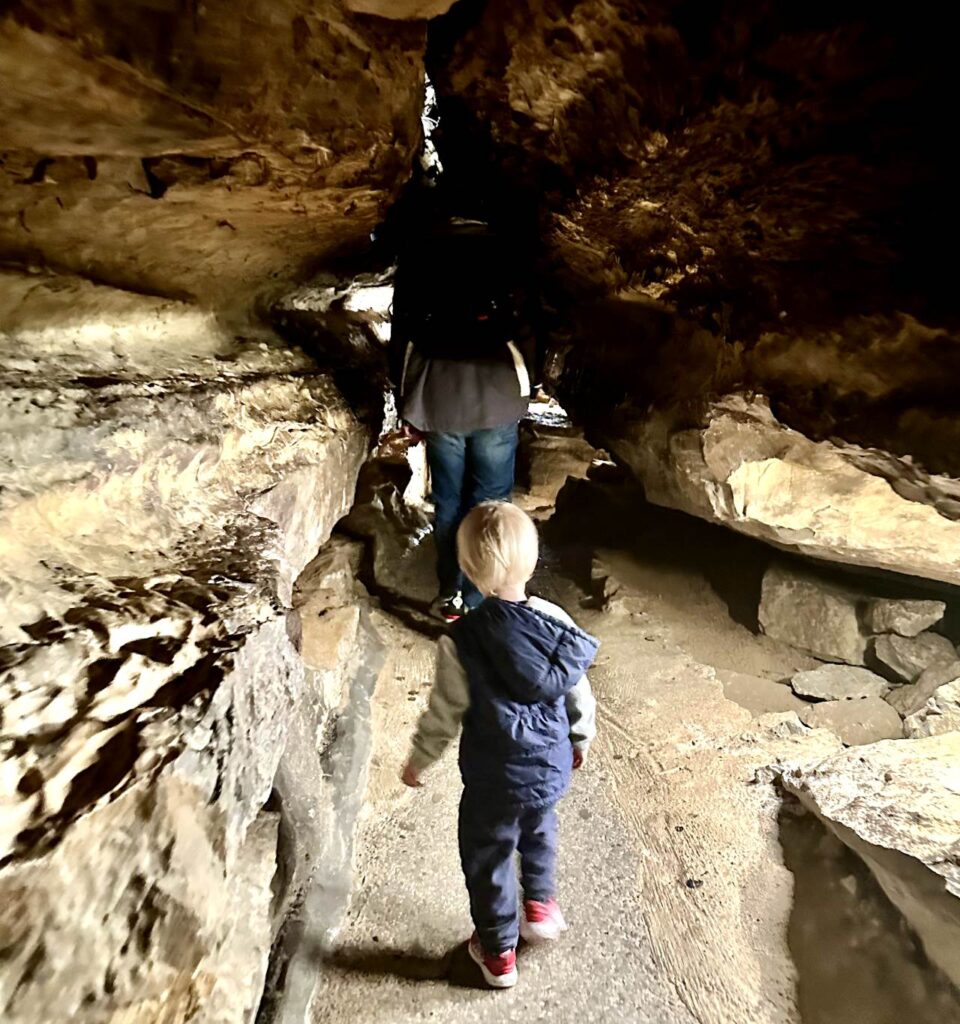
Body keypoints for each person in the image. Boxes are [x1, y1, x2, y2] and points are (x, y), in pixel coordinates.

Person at [400, 501, 599, 989]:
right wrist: (580, 737)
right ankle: (540, 905)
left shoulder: (462, 640)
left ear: (468, 570)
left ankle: (498, 952)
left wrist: (419, 759)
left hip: (494, 776)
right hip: (549, 763)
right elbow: (578, 690)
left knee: (488, 855)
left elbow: (444, 713)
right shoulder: (554, 622)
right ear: (532, 561)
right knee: (539, 826)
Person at [390, 219, 538, 622]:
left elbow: (402, 334)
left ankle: (449, 593)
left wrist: (407, 402)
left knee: (450, 503)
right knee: (491, 503)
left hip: (440, 397)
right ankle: (483, 597)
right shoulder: (508, 254)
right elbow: (529, 326)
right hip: (498, 395)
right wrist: (531, 384)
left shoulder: (420, 254)